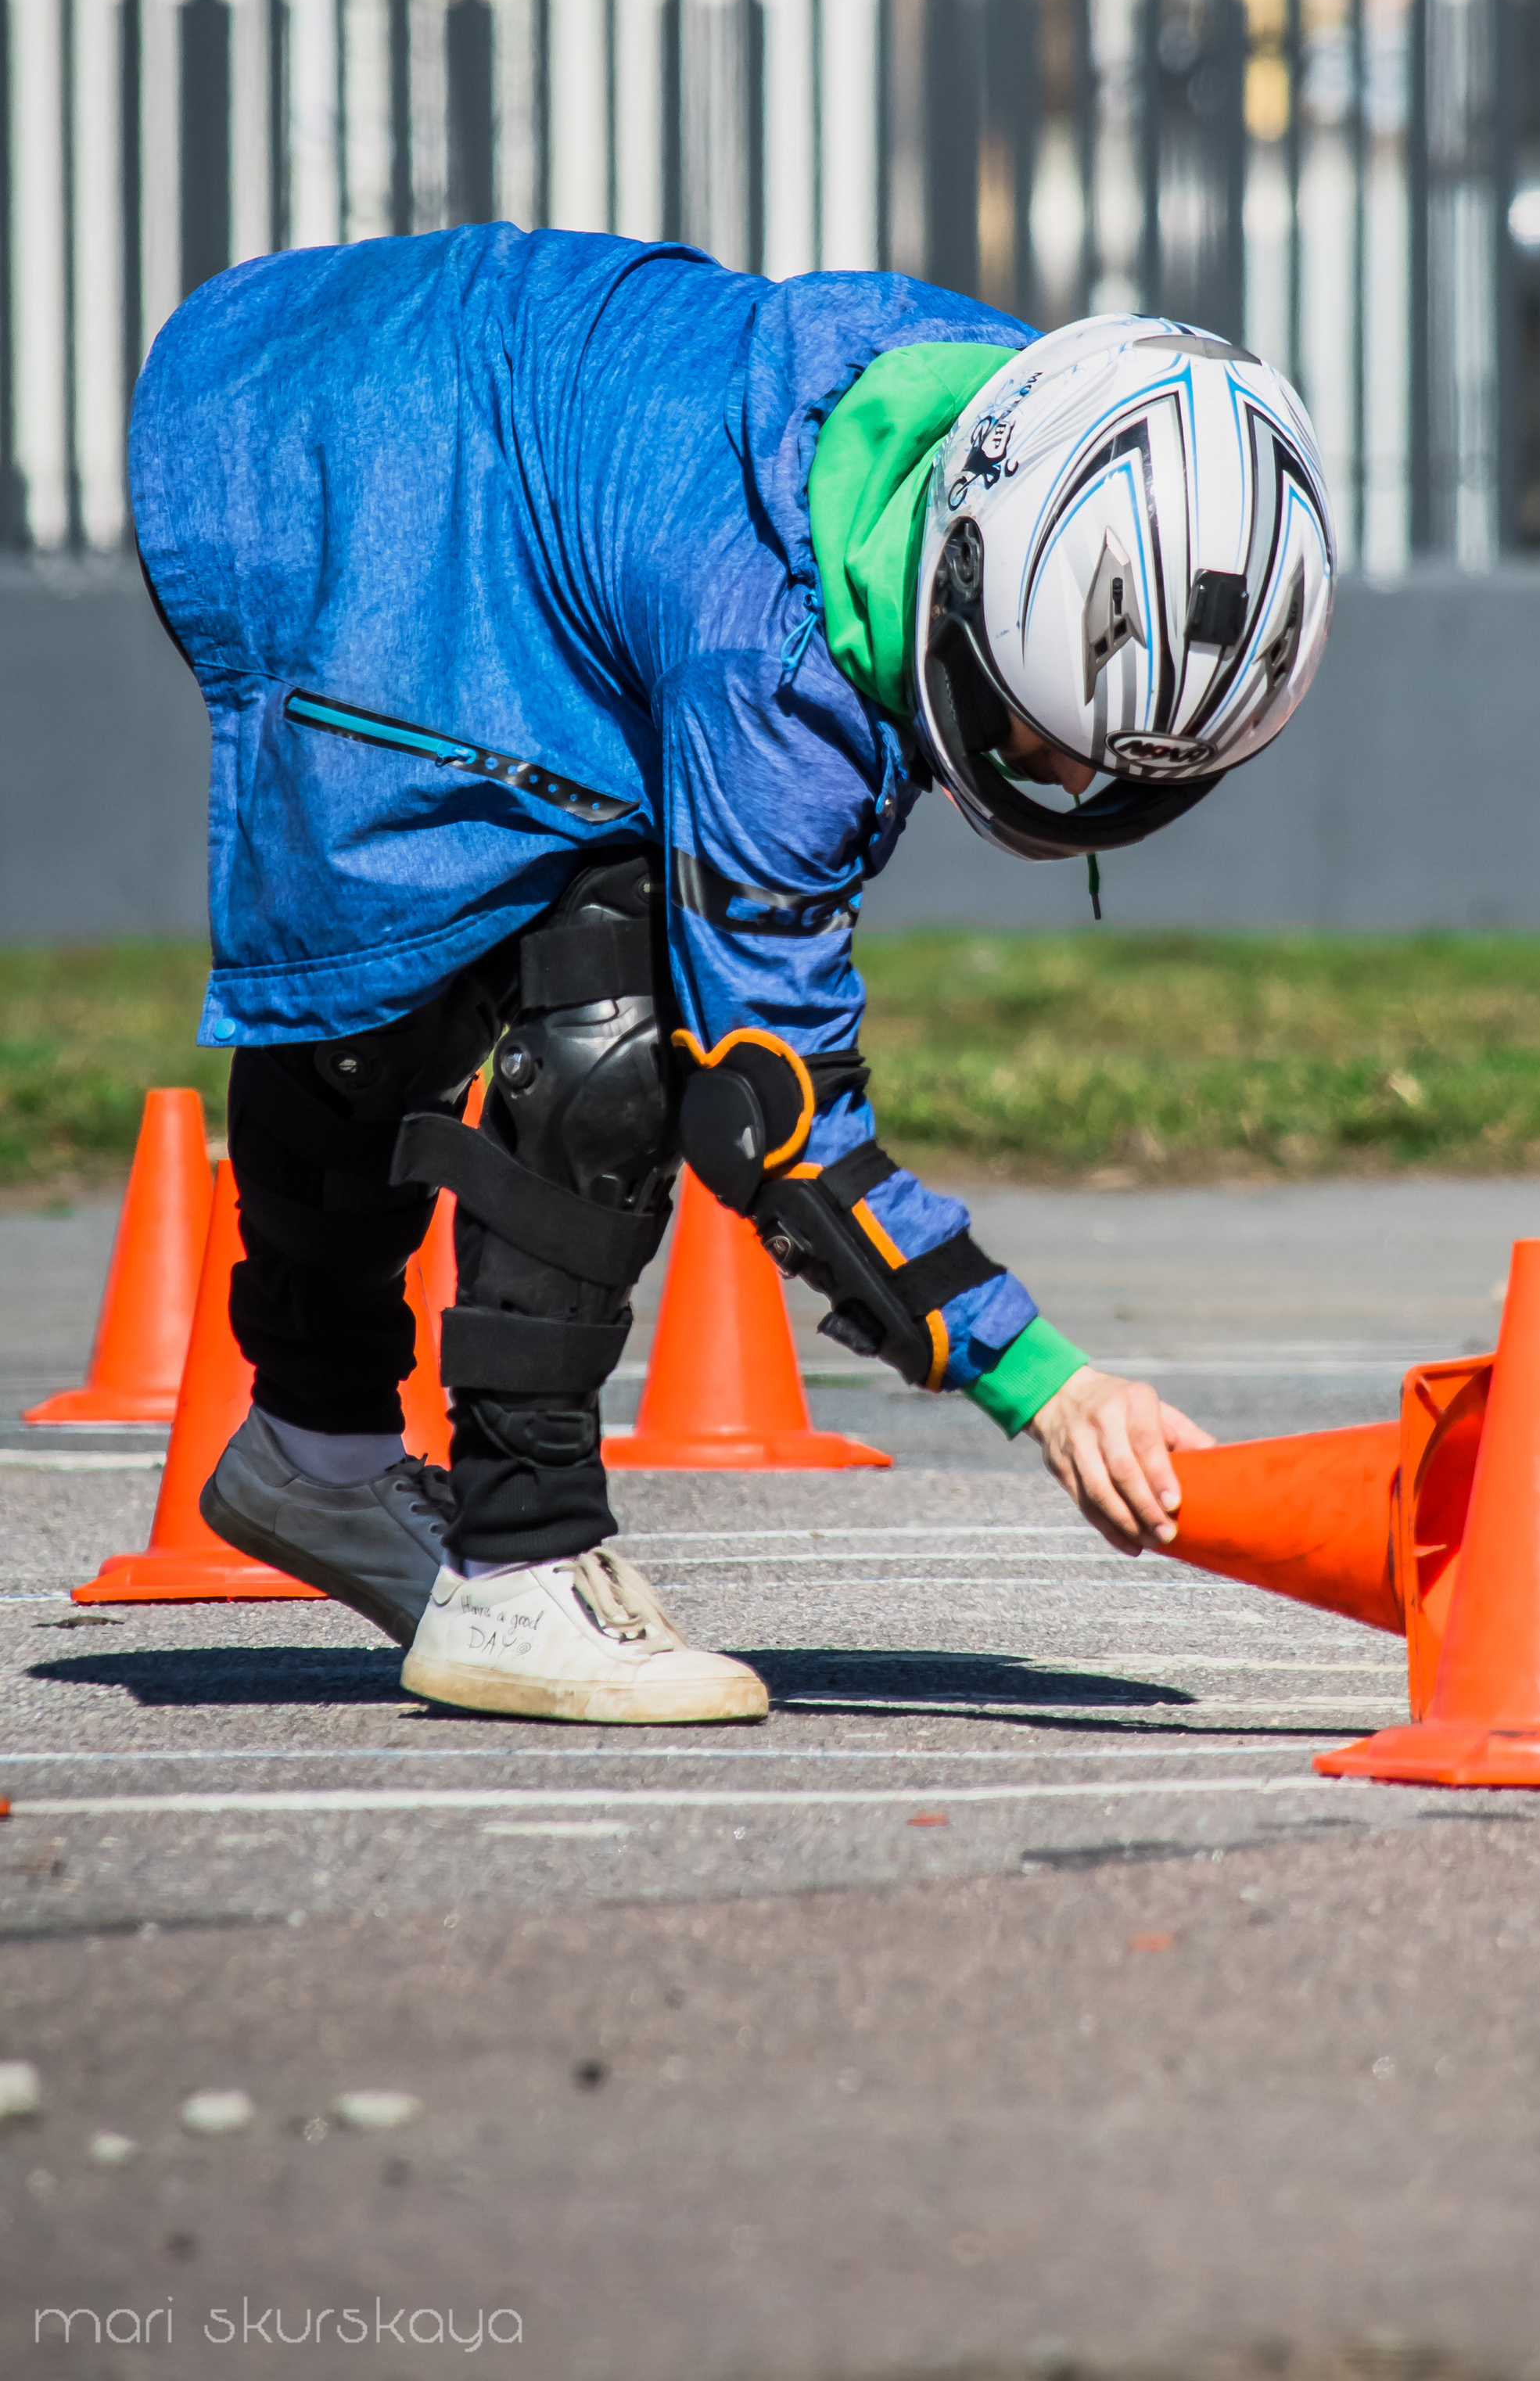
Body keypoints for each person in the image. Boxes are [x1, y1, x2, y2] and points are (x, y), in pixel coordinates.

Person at [129, 226, 1334, 1724]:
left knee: (464, 952)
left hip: (405, 402)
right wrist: (1050, 1384)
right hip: (350, 459)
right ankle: (516, 1564)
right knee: (607, 996)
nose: (1058, 773)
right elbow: (770, 1115)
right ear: (970, 580)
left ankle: (316, 1460)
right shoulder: (772, 661)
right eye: (1048, 735)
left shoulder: (1000, 414)